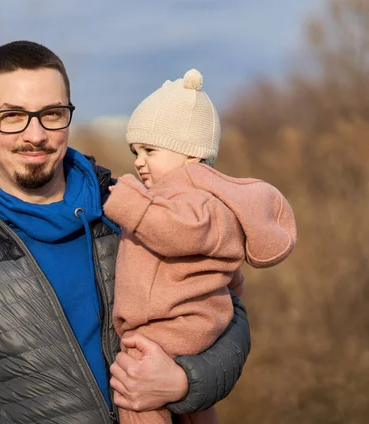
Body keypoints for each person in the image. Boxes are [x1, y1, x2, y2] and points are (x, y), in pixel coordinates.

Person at [0, 41, 252, 424]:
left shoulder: (138, 212)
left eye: (52, 113)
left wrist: (185, 383)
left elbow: (229, 317)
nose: (35, 134)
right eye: (12, 116)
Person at [103, 69, 297, 424]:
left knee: (134, 390)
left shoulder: (192, 198)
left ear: (190, 154)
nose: (138, 161)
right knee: (195, 407)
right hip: (194, 324)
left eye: (149, 150)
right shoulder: (199, 197)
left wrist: (129, 202)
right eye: (135, 151)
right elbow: (226, 275)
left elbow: (182, 231)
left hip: (171, 326)